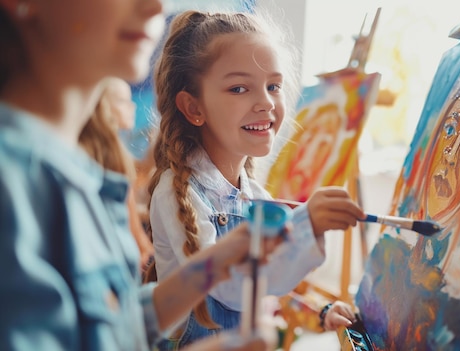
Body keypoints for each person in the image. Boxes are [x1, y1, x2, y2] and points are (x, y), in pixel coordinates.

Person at [0, 1, 281, 350]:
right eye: (239, 87)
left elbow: (112, 329)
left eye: (274, 86)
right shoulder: (12, 183)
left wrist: (211, 266)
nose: (155, 6)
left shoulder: (80, 174)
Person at [148, 10, 366, 349]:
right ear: (194, 108)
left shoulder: (254, 195)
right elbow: (230, 290)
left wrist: (317, 311)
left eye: (273, 86)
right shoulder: (178, 194)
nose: (266, 102)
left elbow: (262, 288)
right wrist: (307, 225)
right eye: (238, 88)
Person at [79, 77, 155, 271]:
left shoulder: (106, 151)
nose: (132, 107)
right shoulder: (112, 157)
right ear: (103, 106)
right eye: (123, 101)